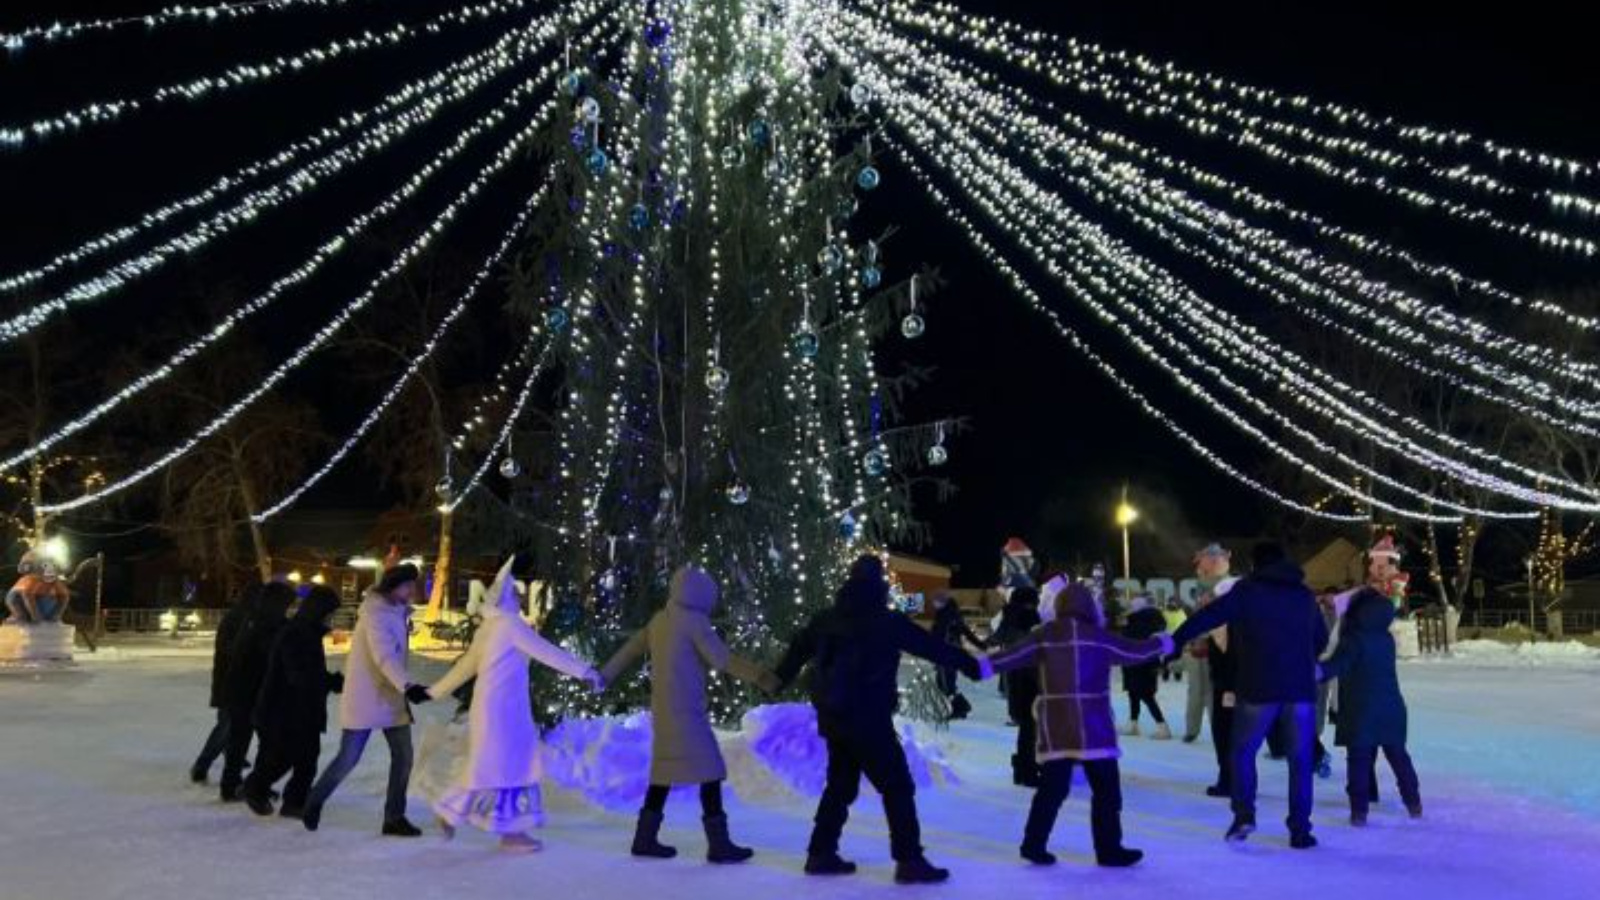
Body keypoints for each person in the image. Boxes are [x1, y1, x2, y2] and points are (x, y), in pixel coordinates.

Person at [772, 555, 991, 884]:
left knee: (841, 785)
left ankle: (820, 853)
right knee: (897, 785)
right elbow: (930, 646)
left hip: (833, 716)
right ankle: (909, 860)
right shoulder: (885, 620)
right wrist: (972, 665)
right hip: (868, 717)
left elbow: (797, 649)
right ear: (879, 584)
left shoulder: (825, 618)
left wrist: (777, 679)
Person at [600, 565, 779, 863]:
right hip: (687, 711)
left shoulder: (660, 620)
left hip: (664, 709)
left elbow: (630, 650)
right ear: (701, 596)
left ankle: (644, 838)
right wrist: (760, 676)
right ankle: (719, 845)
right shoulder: (694, 622)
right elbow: (722, 659)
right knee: (710, 771)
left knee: (664, 770)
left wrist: (605, 675)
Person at [987, 582, 1173, 868]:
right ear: (1090, 607)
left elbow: (1008, 657)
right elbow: (1135, 652)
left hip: (1058, 726)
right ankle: (1109, 849)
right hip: (1094, 727)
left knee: (1052, 789)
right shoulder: (1099, 637)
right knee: (1107, 791)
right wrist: (1163, 642)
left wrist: (976, 665)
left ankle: (1033, 844)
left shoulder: (1043, 636)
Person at [423, 558, 603, 852]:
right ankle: (508, 833)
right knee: (511, 768)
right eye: (516, 594)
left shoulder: (489, 628)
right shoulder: (509, 625)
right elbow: (547, 652)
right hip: (505, 714)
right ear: (506, 597)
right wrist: (585, 672)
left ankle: (456, 812)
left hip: (494, 711)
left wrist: (434, 691)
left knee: (493, 767)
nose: (520, 597)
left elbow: (465, 668)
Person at [1172, 542, 1328, 849]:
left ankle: (1244, 815)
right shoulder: (1304, 595)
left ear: (1255, 565)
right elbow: (1320, 639)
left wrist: (1174, 640)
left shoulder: (1246, 592)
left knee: (1243, 752)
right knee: (1300, 760)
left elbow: (1208, 617)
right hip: (1299, 690)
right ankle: (1300, 830)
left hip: (1258, 687)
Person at [302, 563, 427, 836]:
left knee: (404, 757)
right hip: (367, 697)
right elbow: (384, 657)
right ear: (393, 587)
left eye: (413, 585)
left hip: (391, 698)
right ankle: (312, 801)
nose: (412, 590)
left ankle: (394, 818)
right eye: (408, 585)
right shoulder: (376, 615)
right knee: (348, 758)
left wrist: (404, 688)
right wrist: (409, 686)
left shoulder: (396, 611)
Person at [1318, 590, 1423, 826]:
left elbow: (1338, 665)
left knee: (1359, 760)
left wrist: (1316, 672)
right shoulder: (1385, 638)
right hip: (1391, 708)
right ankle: (1414, 803)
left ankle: (1359, 811)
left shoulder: (1353, 639)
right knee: (1399, 757)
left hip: (1361, 709)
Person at [242, 586, 344, 819]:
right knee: (286, 757)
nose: (331, 618)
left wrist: (330, 682)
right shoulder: (296, 634)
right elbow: (299, 675)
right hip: (284, 711)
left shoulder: (307, 631)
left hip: (298, 710)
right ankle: (256, 787)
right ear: (318, 610)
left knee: (306, 758)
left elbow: (309, 673)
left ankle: (293, 802)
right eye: (329, 612)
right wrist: (330, 682)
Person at [218, 581, 295, 802]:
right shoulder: (265, 623)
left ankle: (248, 784)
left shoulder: (256, 619)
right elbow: (267, 656)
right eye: (287, 604)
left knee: (249, 741)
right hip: (251, 692)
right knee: (252, 741)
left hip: (247, 690)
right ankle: (238, 785)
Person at [190, 583, 261, 784]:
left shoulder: (243, 616)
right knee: (227, 726)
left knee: (233, 725)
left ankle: (232, 757)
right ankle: (202, 765)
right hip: (230, 683)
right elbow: (231, 650)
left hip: (232, 681)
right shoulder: (240, 619)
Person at [1191, 544, 1238, 793]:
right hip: (1231, 674)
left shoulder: (1220, 591)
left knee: (1226, 728)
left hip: (1229, 677)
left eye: (1201, 563)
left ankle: (1231, 780)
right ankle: (1234, 778)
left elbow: (1223, 637)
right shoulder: (1226, 589)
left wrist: (1202, 640)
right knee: (1232, 728)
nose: (1198, 568)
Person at [990, 586, 1043, 787]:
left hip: (1014, 676)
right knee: (1031, 726)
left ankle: (1022, 768)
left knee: (1026, 726)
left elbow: (996, 639)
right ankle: (1026, 770)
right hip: (1030, 676)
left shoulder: (1008, 616)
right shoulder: (1030, 617)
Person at [1119, 595, 1172, 740]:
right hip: (1146, 664)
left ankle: (1162, 726)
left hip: (1137, 664)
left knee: (1145, 696)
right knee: (1134, 694)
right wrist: (1164, 663)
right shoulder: (1156, 622)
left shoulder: (1135, 624)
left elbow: (1125, 643)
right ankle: (1133, 723)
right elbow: (1168, 645)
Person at [929, 592, 986, 720]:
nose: (934, 604)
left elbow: (939, 635)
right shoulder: (955, 615)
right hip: (952, 653)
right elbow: (967, 633)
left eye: (936, 602)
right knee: (945, 683)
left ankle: (961, 707)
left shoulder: (944, 615)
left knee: (945, 684)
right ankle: (959, 708)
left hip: (944, 654)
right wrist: (981, 645)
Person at [1161, 598, 1188, 683]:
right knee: (1168, 657)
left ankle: (1177, 675)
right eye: (1171, 602)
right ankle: (1165, 674)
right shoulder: (1164, 613)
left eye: (1175, 602)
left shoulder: (1181, 612)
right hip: (1168, 637)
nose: (1173, 604)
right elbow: (1161, 625)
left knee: (1178, 656)